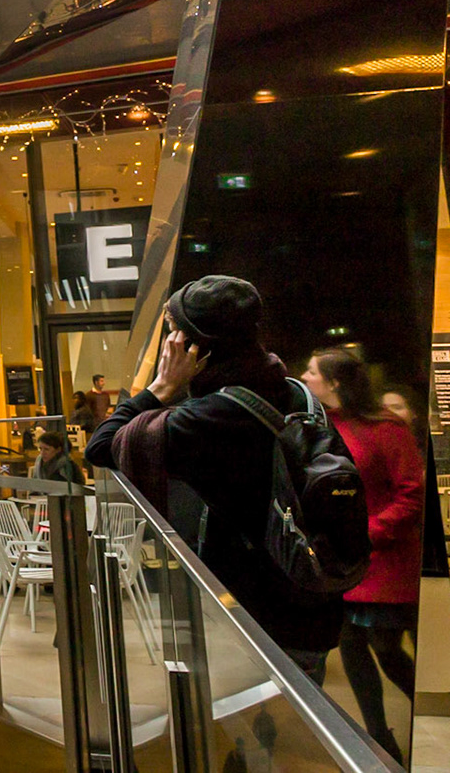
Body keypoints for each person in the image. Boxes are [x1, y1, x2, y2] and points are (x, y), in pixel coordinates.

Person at [85, 276, 346, 679]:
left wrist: (160, 386)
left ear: (192, 346)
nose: (167, 343)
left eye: (172, 332)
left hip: (257, 615)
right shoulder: (292, 390)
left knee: (259, 737)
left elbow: (101, 447)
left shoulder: (208, 416)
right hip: (313, 600)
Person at [302, 349, 422, 762]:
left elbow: (410, 494)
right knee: (351, 646)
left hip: (381, 560)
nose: (305, 376)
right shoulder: (317, 427)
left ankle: (421, 718)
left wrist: (369, 532)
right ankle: (378, 736)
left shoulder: (385, 429)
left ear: (334, 382)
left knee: (387, 650)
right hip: (341, 561)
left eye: (312, 372)